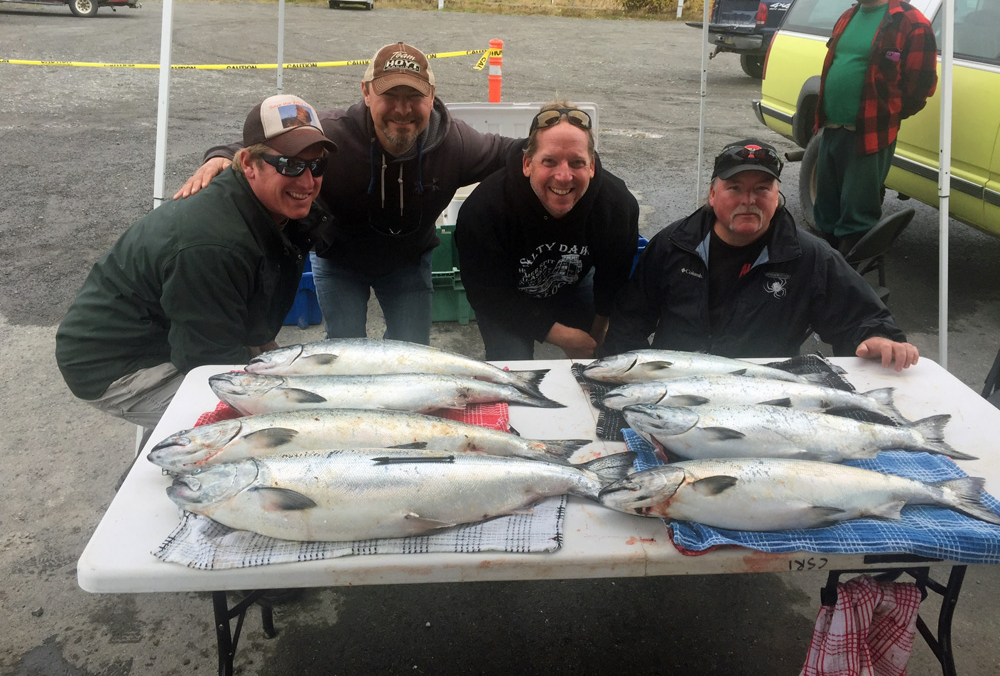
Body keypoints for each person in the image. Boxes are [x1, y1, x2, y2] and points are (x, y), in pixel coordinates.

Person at [176, 42, 520, 345]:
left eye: (414, 96)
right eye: (390, 96)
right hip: (338, 260)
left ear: (431, 96)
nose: (402, 110)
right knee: (344, 346)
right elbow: (257, 146)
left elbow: (515, 151)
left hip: (409, 262)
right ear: (366, 92)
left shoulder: (455, 143)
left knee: (412, 349)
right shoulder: (331, 133)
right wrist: (219, 156)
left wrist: (563, 136)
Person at [56, 94, 336, 430]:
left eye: (316, 165)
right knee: (249, 422)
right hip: (115, 362)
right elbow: (210, 367)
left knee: (279, 394)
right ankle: (147, 477)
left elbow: (244, 311)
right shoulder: (214, 245)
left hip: (179, 331)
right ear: (247, 163)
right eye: (290, 165)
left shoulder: (268, 210)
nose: (307, 182)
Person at [602, 139, 919, 372]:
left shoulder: (809, 257)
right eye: (735, 188)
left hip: (766, 392)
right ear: (713, 194)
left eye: (762, 189)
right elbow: (628, 321)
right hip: (679, 388)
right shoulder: (673, 244)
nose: (748, 200)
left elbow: (862, 319)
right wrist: (636, 378)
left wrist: (879, 339)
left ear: (777, 196)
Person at [455, 102, 639, 360]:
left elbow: (614, 278)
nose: (564, 176)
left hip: (573, 284)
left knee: (604, 360)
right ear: (527, 163)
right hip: (507, 295)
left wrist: (596, 336)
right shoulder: (485, 208)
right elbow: (486, 293)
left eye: (577, 163)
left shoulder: (617, 205)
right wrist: (559, 334)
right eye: (549, 161)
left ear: (592, 166)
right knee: (514, 368)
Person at [812, 0, 937, 252]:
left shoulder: (912, 23)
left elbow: (921, 87)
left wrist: (887, 114)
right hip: (830, 129)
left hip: (869, 135)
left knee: (857, 216)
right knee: (826, 211)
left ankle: (852, 284)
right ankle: (825, 272)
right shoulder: (848, 16)